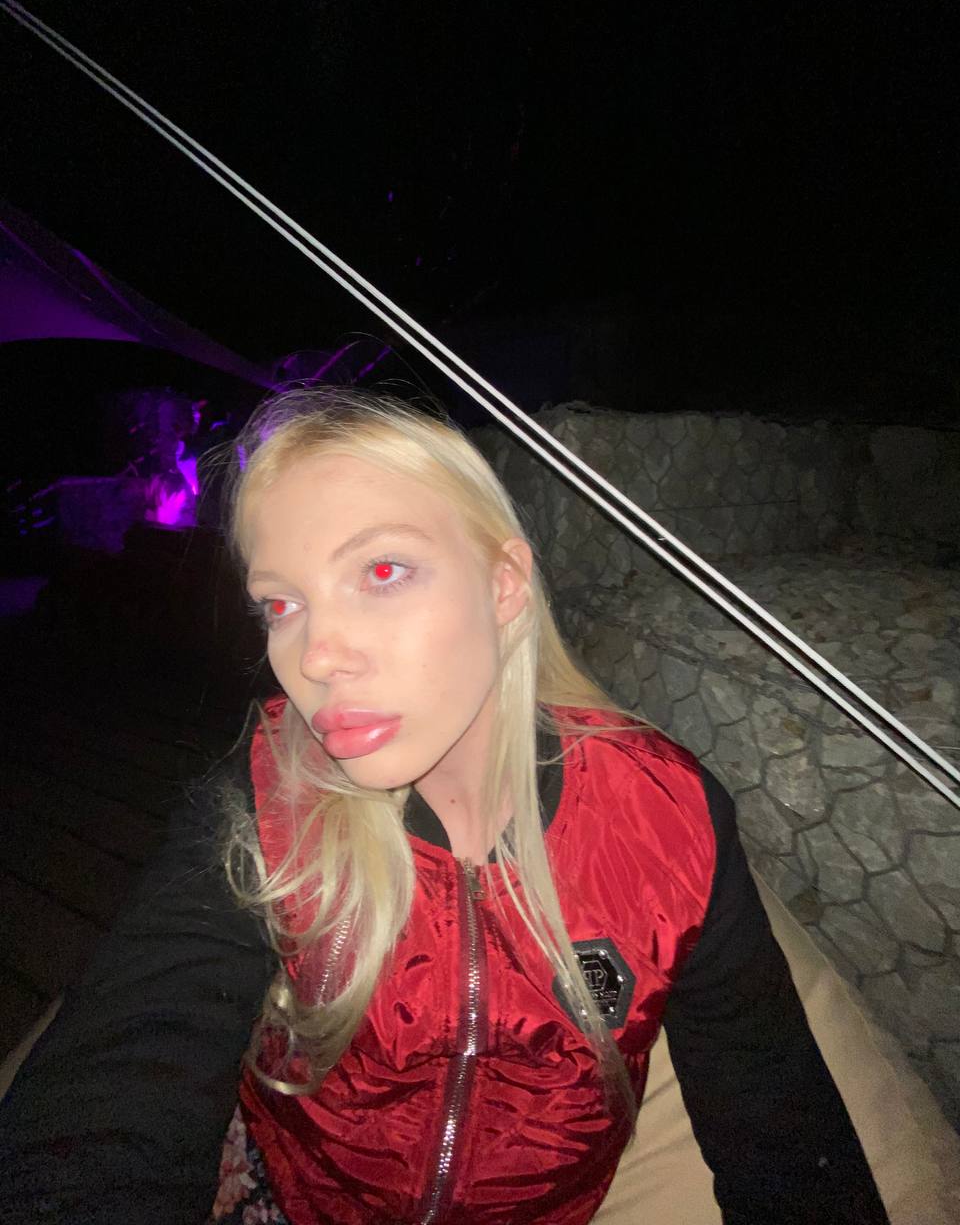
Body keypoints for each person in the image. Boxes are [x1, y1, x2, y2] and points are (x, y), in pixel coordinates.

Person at [0, 390, 889, 1224]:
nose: (315, 655)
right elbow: (123, 1073)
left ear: (504, 586)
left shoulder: (668, 814)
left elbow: (781, 1125)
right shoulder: (268, 796)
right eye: (282, 604)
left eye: (383, 569)